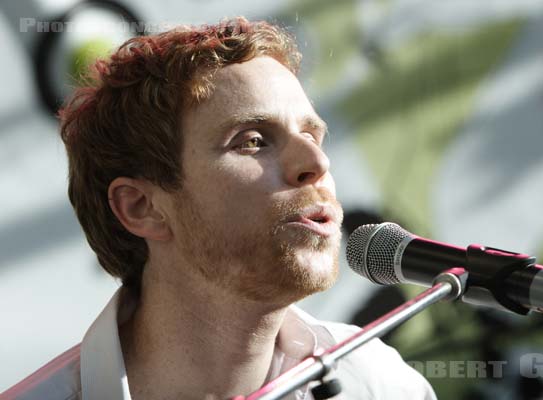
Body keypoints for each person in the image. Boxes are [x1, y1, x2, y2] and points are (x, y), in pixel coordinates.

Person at [2, 17, 436, 400]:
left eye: (314, 136)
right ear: (140, 207)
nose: (317, 165)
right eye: (252, 141)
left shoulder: (383, 385)